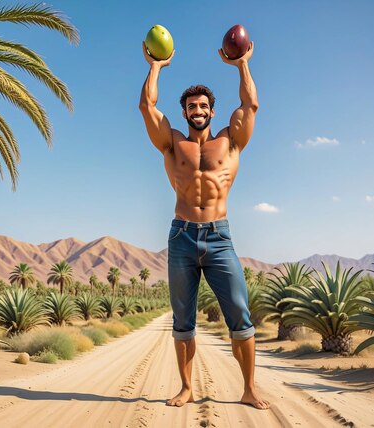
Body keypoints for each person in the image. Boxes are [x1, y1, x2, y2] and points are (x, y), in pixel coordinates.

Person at [139, 40, 270, 410]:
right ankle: (186, 388)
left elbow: (250, 105)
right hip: (181, 236)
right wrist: (156, 66)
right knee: (183, 320)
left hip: (219, 236)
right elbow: (147, 106)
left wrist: (242, 63)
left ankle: (248, 388)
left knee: (240, 317)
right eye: (192, 106)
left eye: (203, 105)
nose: (198, 110)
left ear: (213, 111)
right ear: (184, 113)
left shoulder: (230, 142)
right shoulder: (173, 146)